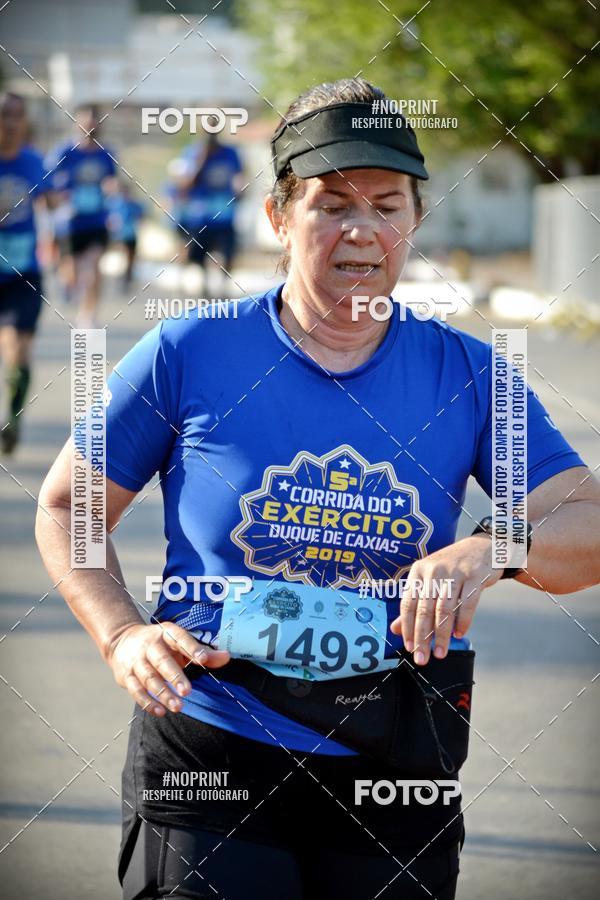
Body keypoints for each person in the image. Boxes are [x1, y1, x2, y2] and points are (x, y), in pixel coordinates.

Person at [36, 78, 600, 900]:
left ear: (415, 220)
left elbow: (587, 524)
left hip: (394, 759)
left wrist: (492, 548)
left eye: (387, 205)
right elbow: (65, 505)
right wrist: (122, 633)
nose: (362, 229)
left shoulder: (472, 377)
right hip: (211, 744)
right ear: (278, 217)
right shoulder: (190, 350)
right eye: (331, 203)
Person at [0, 92, 51, 455]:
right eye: (4, 115)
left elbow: (51, 205)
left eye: (17, 115)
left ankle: (12, 418)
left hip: (25, 272)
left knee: (18, 348)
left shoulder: (34, 162)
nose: (11, 122)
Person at [45, 103, 116, 326]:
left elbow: (112, 180)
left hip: (96, 219)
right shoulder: (64, 152)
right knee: (73, 273)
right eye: (86, 122)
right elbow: (47, 181)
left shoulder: (106, 154)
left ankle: (88, 314)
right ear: (77, 123)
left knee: (94, 266)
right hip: (69, 223)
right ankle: (68, 283)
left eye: (94, 122)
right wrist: (60, 195)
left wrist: (111, 189)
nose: (90, 126)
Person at [168, 130, 243, 295]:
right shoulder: (192, 152)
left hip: (225, 213)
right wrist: (201, 160)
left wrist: (240, 188)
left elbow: (239, 176)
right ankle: (205, 283)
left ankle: (223, 285)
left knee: (227, 252)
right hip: (202, 216)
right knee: (199, 253)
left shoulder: (231, 153)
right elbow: (186, 184)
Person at [105, 178, 145, 287]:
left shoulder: (135, 204)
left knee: (131, 258)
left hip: (131, 234)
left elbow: (141, 216)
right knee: (122, 255)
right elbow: (108, 217)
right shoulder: (114, 202)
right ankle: (120, 277)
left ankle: (127, 278)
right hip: (118, 235)